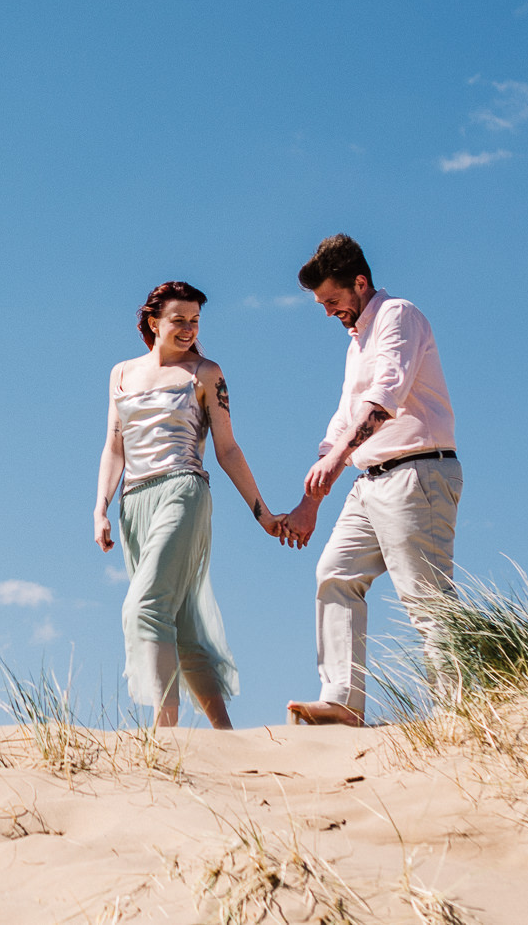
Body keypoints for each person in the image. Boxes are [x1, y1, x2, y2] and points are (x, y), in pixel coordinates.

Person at [276, 235, 461, 727]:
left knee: (426, 598)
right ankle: (341, 702)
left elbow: (384, 401)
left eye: (332, 301)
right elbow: (343, 422)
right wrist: (308, 504)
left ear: (360, 283)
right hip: (370, 480)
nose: (329, 312)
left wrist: (335, 461)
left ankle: (457, 712)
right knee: (335, 575)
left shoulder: (399, 316)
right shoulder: (356, 341)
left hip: (415, 471)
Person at [94, 281, 284, 728]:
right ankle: (225, 736)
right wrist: (100, 509)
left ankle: (165, 733)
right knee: (180, 622)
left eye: (195, 321)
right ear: (152, 321)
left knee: (144, 606)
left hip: (183, 489)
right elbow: (114, 447)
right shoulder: (121, 373)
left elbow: (228, 450)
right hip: (134, 503)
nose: (187, 329)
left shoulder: (206, 373)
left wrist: (263, 514)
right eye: (178, 320)